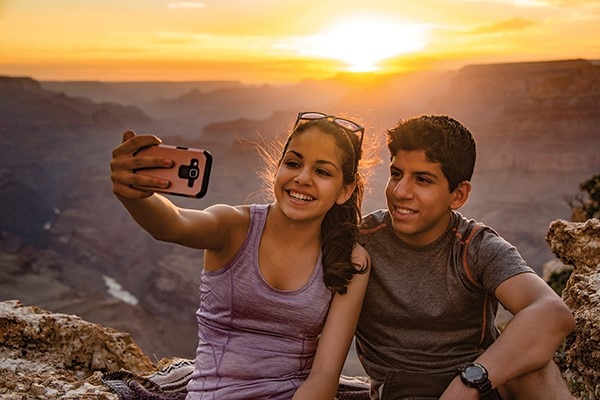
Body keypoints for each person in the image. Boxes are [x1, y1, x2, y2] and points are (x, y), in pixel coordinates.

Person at [110, 112, 371, 400]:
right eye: (293, 163)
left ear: (344, 190)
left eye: (322, 172)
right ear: (277, 168)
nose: (302, 178)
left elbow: (324, 375)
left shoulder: (351, 261)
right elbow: (173, 224)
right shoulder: (233, 227)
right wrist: (133, 196)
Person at [355, 115, 575, 400]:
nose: (400, 192)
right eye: (396, 174)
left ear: (458, 195)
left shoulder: (474, 246)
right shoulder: (364, 240)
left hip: (475, 385)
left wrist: (470, 382)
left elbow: (552, 313)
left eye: (422, 179)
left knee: (535, 369)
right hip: (402, 388)